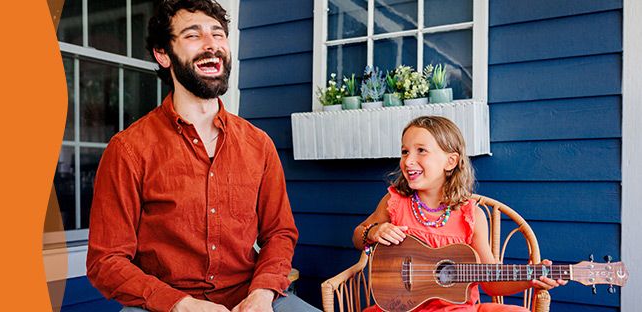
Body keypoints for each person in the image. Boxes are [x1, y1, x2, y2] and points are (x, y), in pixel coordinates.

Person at [86, 1, 319, 312]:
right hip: (163, 303)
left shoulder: (258, 144)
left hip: (248, 297)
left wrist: (263, 292)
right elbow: (106, 260)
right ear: (163, 54)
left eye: (219, 34)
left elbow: (279, 233)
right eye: (193, 35)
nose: (212, 45)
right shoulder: (128, 149)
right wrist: (180, 304)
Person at [351, 116, 567, 312]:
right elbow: (358, 236)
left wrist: (530, 278)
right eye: (405, 151)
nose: (408, 161)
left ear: (451, 161)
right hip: (402, 307)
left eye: (421, 151)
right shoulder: (395, 202)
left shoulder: (471, 216)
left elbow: (492, 282)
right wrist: (373, 232)